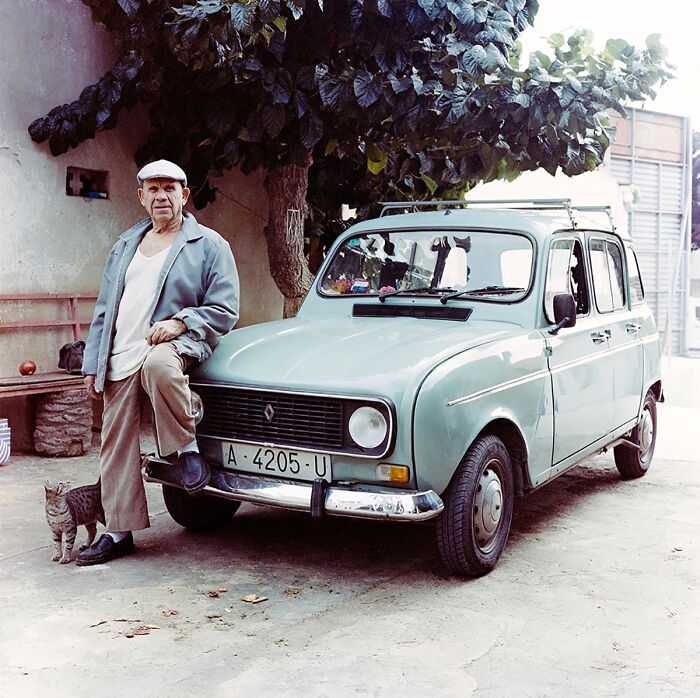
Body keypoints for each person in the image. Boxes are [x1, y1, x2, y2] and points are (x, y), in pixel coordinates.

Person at [76, 159, 239, 566]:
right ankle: (118, 531)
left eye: (170, 188)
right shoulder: (124, 245)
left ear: (184, 195)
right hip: (120, 353)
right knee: (114, 444)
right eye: (153, 189)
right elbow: (104, 309)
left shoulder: (210, 245)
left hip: (172, 343)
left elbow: (225, 308)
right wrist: (93, 362)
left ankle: (186, 450)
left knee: (160, 367)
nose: (161, 196)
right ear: (141, 197)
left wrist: (180, 322)